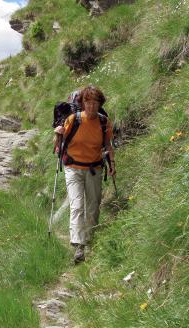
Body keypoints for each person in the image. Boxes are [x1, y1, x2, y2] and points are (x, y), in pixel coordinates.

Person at [54, 85, 115, 263]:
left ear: (100, 104)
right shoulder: (73, 120)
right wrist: (57, 134)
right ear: (82, 103)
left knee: (93, 206)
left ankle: (89, 240)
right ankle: (79, 246)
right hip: (73, 168)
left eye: (95, 103)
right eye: (88, 102)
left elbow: (108, 146)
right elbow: (59, 144)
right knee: (77, 205)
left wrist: (112, 164)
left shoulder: (104, 122)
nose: (91, 106)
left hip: (94, 168)